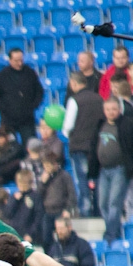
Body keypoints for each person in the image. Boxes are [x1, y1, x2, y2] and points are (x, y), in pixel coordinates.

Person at [88, 97, 133, 242]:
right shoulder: (100, 125)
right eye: (108, 109)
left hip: (119, 169)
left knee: (114, 202)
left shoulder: (127, 124)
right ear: (104, 110)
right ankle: (114, 230)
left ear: (119, 110)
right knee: (102, 203)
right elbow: (94, 148)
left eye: (114, 109)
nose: (111, 112)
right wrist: (92, 171)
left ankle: (110, 234)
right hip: (103, 170)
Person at [63, 71, 105, 217]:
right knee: (97, 179)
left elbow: (68, 126)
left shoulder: (74, 100)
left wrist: (67, 134)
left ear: (74, 83)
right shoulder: (99, 99)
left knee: (82, 179)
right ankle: (98, 210)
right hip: (97, 146)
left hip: (79, 146)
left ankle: (86, 211)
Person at [0, 48, 44, 144]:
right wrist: (5, 108)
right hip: (8, 121)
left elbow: (39, 92)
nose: (19, 63)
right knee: (10, 147)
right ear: (10, 60)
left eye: (21, 60)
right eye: (16, 61)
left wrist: (33, 106)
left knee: (30, 145)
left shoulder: (30, 73)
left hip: (27, 120)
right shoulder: (1, 76)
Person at [40, 151, 78, 242]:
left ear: (55, 164)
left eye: (48, 165)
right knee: (46, 237)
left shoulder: (64, 176)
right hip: (47, 212)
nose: (46, 168)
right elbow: (38, 195)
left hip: (60, 211)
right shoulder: (44, 177)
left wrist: (68, 209)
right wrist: (42, 183)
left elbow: (72, 194)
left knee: (62, 236)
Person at [1, 169, 43, 244]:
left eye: (22, 182)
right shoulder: (14, 197)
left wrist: (31, 234)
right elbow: (7, 214)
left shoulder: (35, 196)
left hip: (30, 237)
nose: (20, 185)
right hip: (15, 235)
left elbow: (38, 217)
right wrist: (15, 201)